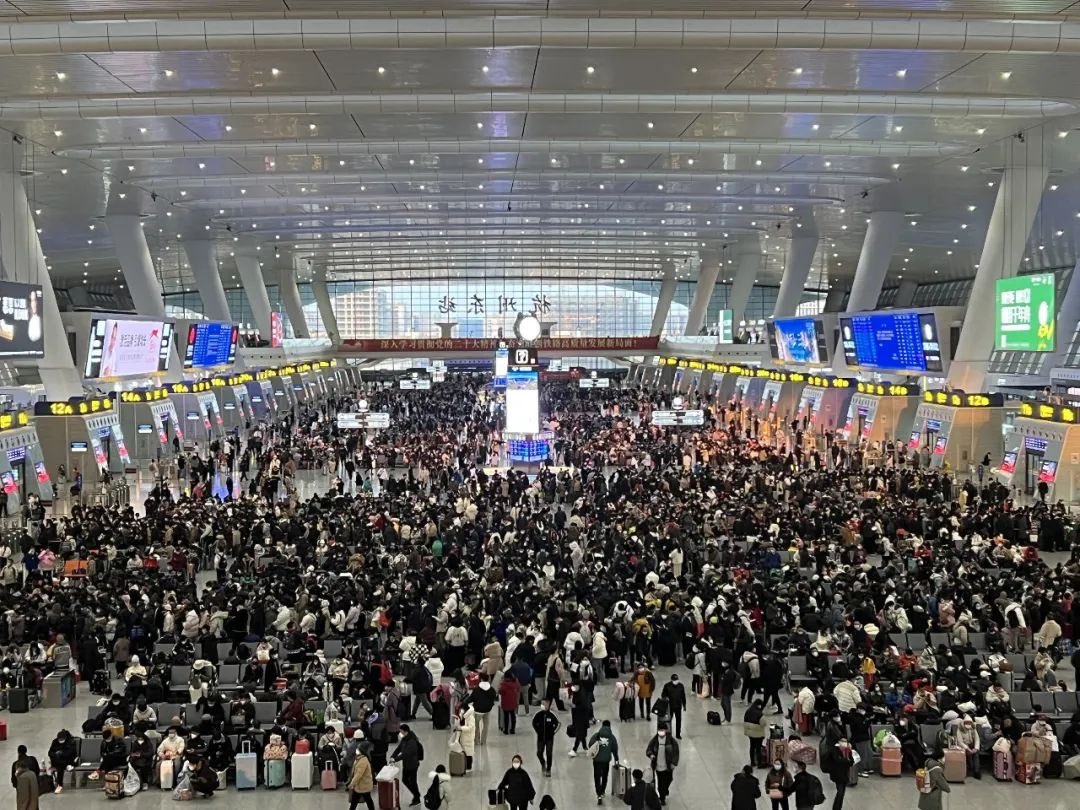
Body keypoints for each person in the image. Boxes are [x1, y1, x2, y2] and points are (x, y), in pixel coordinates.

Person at [645, 723, 679, 806]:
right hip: (658, 766)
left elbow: (676, 752)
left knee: (669, 779)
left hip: (668, 766)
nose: (661, 732)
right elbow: (649, 749)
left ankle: (665, 789)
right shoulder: (655, 740)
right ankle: (662, 798)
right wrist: (651, 755)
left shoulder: (671, 740)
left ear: (666, 731)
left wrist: (674, 763)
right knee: (661, 783)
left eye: (662, 730)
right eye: (659, 730)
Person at [586, 719, 619, 803]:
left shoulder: (596, 735)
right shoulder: (612, 737)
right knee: (604, 776)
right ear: (609, 726)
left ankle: (598, 794)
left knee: (597, 777)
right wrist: (616, 759)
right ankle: (603, 791)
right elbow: (615, 749)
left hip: (597, 760)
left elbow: (590, 745)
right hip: (606, 761)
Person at [390, 723, 423, 807]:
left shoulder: (411, 741)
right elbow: (399, 749)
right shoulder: (405, 739)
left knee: (413, 782)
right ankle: (416, 795)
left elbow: (406, 754)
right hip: (406, 764)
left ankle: (417, 797)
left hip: (412, 765)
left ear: (405, 731)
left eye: (401, 731)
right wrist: (392, 756)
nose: (400, 733)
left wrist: (395, 759)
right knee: (405, 780)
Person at [532, 699, 560, 777]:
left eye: (545, 704)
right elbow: (533, 723)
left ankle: (548, 769)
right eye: (542, 704)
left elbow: (558, 724)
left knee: (549, 753)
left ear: (548, 705)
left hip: (549, 738)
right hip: (540, 738)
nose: (543, 705)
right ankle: (543, 763)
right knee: (539, 753)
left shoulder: (552, 715)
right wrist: (537, 731)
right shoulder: (538, 714)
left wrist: (553, 732)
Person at [825, 738, 854, 810]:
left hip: (844, 774)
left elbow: (852, 761)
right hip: (837, 774)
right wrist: (846, 761)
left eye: (845, 741)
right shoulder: (834, 750)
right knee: (840, 792)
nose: (844, 743)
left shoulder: (848, 750)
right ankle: (836, 808)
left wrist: (845, 761)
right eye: (842, 741)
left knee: (841, 792)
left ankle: (838, 807)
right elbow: (837, 760)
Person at [347, 744, 375, 810]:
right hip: (362, 784)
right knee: (367, 800)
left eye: (358, 749)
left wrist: (352, 783)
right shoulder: (359, 758)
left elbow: (358, 774)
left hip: (362, 785)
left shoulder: (362, 760)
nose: (356, 750)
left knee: (356, 801)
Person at [659, 674, 687, 739]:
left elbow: (683, 696)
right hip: (669, 707)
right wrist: (665, 698)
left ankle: (678, 734)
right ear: (671, 680)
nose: (676, 681)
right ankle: (668, 734)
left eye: (677, 680)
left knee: (678, 721)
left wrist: (684, 705)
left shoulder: (681, 686)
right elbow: (663, 694)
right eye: (674, 680)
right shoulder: (667, 686)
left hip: (678, 706)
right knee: (668, 721)